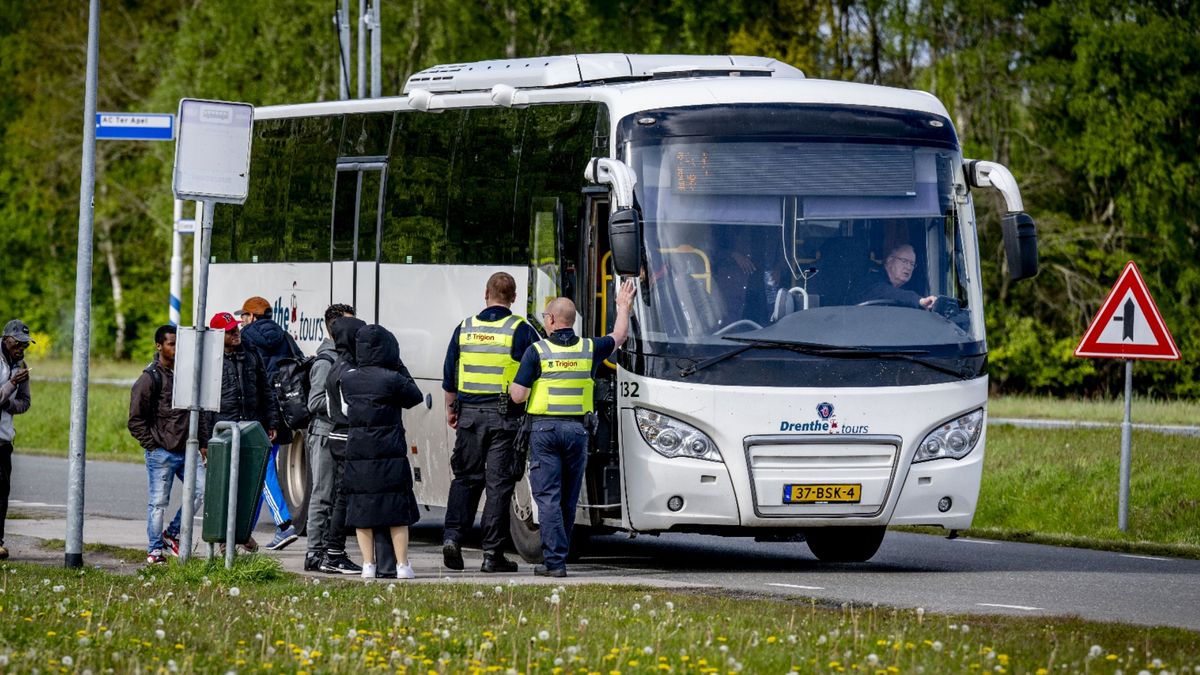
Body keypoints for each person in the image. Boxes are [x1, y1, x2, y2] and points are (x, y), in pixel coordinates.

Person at [508, 279, 636, 577]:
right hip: (577, 432)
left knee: (548, 496)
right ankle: (558, 557)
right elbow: (619, 336)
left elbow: (518, 395)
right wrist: (623, 306)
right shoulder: (589, 348)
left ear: (551, 320)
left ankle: (554, 562)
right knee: (567, 497)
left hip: (544, 432)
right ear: (573, 321)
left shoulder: (537, 352)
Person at [440, 272, 539, 573]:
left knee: (465, 480)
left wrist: (451, 410)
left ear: (486, 293)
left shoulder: (465, 328)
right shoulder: (522, 330)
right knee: (498, 487)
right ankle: (491, 555)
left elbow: (449, 376)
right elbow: (539, 365)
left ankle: (453, 538)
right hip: (504, 419)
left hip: (469, 416)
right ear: (514, 297)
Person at [339, 324, 424, 579]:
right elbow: (414, 396)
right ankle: (401, 565)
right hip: (390, 452)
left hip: (358, 452)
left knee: (362, 510)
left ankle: (368, 565)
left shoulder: (349, 379)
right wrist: (398, 365)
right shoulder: (392, 379)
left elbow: (345, 410)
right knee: (396, 511)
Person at [200, 312, 281, 552]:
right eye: (230, 331)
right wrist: (206, 440)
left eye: (236, 329)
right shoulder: (210, 360)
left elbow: (265, 390)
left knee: (249, 486)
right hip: (223, 430)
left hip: (250, 427)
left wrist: (271, 423)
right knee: (225, 486)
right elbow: (203, 406)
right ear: (218, 335)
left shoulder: (251, 354)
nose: (236, 334)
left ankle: (242, 533)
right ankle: (226, 539)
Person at [128, 325, 202, 564]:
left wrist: (201, 442)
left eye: (178, 342)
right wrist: (152, 445)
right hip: (161, 452)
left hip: (188, 450)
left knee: (203, 490)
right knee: (158, 503)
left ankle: (172, 533)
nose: (176, 347)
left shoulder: (187, 374)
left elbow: (197, 411)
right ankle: (155, 550)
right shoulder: (149, 379)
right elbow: (135, 420)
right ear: (159, 346)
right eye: (171, 343)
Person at [236, 296, 299, 551]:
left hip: (260, 411)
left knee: (260, 469)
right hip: (283, 410)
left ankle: (284, 524)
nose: (241, 320)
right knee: (261, 468)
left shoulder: (246, 337)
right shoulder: (284, 336)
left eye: (243, 316)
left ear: (251, 317)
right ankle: (243, 533)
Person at [303, 303, 355, 573]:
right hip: (324, 433)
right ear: (335, 328)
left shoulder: (344, 356)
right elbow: (314, 403)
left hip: (336, 432)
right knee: (322, 494)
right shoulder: (325, 361)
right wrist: (345, 403)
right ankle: (315, 552)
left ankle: (328, 549)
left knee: (336, 495)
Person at [320, 315, 368, 574]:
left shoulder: (335, 367)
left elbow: (330, 408)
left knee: (341, 496)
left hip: (336, 435)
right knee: (345, 499)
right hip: (350, 436)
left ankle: (333, 551)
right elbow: (353, 409)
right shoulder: (350, 370)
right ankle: (335, 553)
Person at [0, 319, 33, 561]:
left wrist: (7, 403)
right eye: (18, 344)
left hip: (3, 440)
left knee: (2, 494)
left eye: (26, 345)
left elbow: (25, 403)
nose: (22, 349)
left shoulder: (21, 366)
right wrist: (11, 384)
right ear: (6, 339)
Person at [859, 243, 936, 309]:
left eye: (912, 264)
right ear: (889, 260)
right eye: (904, 261)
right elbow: (885, 291)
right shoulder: (871, 279)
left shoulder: (904, 290)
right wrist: (919, 300)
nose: (908, 267)